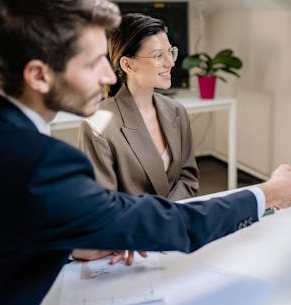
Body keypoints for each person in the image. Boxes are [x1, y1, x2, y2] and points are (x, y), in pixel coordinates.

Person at [0, 1, 291, 305]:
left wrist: (73, 246)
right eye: (92, 63)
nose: (108, 75)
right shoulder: (44, 162)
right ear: (39, 75)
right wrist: (266, 193)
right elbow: (171, 224)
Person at [74, 13, 199, 264]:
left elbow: (188, 179)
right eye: (157, 56)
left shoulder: (176, 112)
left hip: (174, 234)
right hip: (130, 248)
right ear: (128, 65)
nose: (170, 63)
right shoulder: (99, 124)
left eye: (170, 52)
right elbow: (103, 206)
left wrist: (165, 222)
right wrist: (147, 228)